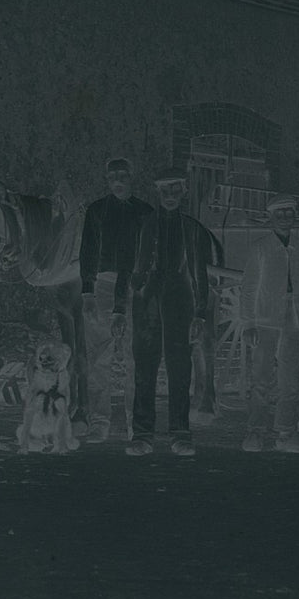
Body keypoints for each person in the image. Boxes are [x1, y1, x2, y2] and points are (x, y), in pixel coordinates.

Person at [124, 168, 214, 458]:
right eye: (165, 190)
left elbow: (200, 273)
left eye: (176, 189)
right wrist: (120, 304)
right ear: (157, 192)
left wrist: (200, 311)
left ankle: (180, 432)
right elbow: (128, 269)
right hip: (147, 296)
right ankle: (142, 433)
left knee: (179, 364)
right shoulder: (141, 225)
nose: (171, 195)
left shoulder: (193, 229)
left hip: (180, 296)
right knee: (145, 366)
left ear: (184, 192)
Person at [78, 156, 152, 444]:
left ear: (133, 176)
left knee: (138, 358)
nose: (118, 180)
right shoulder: (97, 211)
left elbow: (149, 256)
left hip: (137, 290)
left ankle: (137, 423)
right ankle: (99, 421)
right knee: (98, 357)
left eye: (123, 174)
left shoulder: (146, 213)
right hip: (104, 287)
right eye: (112, 176)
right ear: (107, 179)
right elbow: (88, 252)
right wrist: (87, 293)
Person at [238, 193, 299, 452]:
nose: (285, 218)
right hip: (266, 318)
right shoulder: (260, 247)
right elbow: (249, 287)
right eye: (279, 213)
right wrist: (249, 323)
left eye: (289, 213)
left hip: (294, 319)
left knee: (291, 377)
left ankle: (286, 432)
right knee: (262, 378)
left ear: (294, 217)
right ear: (271, 218)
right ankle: (255, 432)